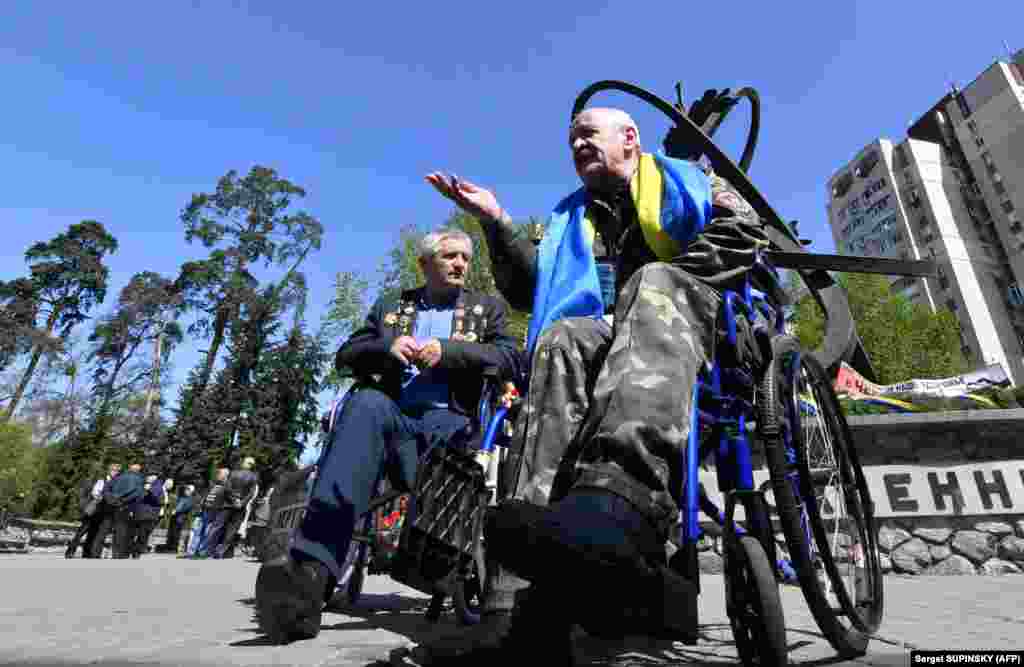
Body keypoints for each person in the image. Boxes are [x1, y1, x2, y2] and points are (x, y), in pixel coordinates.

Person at [410, 106, 772, 663]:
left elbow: (746, 232)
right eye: (570, 137)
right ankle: (516, 599)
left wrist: (657, 285)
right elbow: (532, 292)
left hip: (704, 325)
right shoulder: (572, 220)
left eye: (587, 133)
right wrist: (496, 223)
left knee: (652, 282)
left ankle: (623, 506)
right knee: (561, 337)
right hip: (617, 343)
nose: (576, 143)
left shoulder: (692, 180)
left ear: (630, 138)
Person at [255, 227, 519, 643]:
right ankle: (307, 582)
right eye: (450, 256)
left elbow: (509, 357)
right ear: (425, 263)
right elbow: (347, 354)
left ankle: (434, 567)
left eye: (465, 258)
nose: (460, 265)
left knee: (430, 429)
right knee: (364, 405)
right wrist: (386, 347)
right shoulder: (392, 306)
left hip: (449, 430)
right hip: (391, 422)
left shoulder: (486, 309)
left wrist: (448, 352)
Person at [66, 464, 119, 559]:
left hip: (103, 512)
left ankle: (86, 553)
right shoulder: (102, 480)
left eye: (116, 471)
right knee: (81, 532)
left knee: (93, 533)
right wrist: (103, 497)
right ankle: (70, 550)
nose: (114, 472)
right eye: (113, 470)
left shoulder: (116, 483)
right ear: (108, 470)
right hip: (94, 510)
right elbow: (95, 493)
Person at [94, 462, 145, 559]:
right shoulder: (139, 479)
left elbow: (105, 490)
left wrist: (111, 500)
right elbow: (138, 495)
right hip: (123, 507)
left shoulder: (118, 477)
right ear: (138, 471)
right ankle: (116, 555)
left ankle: (95, 553)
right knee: (120, 532)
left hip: (111, 506)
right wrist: (123, 501)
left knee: (103, 531)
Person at [212, 457, 259, 559]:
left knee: (219, 526)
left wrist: (234, 500)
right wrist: (241, 503)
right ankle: (221, 552)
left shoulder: (233, 473)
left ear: (244, 463)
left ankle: (210, 549)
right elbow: (251, 494)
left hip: (228, 504)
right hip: (240, 507)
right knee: (232, 530)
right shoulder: (254, 477)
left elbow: (227, 488)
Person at [190, 468, 229, 558]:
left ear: (225, 476)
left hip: (215, 511)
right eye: (218, 473)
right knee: (200, 531)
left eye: (220, 474)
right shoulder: (214, 485)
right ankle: (194, 551)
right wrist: (202, 505)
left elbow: (230, 497)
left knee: (208, 532)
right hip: (206, 510)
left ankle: (202, 551)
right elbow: (207, 496)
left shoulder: (226, 486)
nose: (217, 475)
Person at [131, 475, 166, 558]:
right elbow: (136, 498)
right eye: (147, 477)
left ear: (154, 477)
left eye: (150, 477)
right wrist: (132, 509)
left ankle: (136, 551)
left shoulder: (158, 487)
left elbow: (159, 501)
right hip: (139, 513)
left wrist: (149, 491)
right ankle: (134, 550)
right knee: (135, 534)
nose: (148, 478)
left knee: (143, 535)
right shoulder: (142, 485)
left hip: (149, 516)